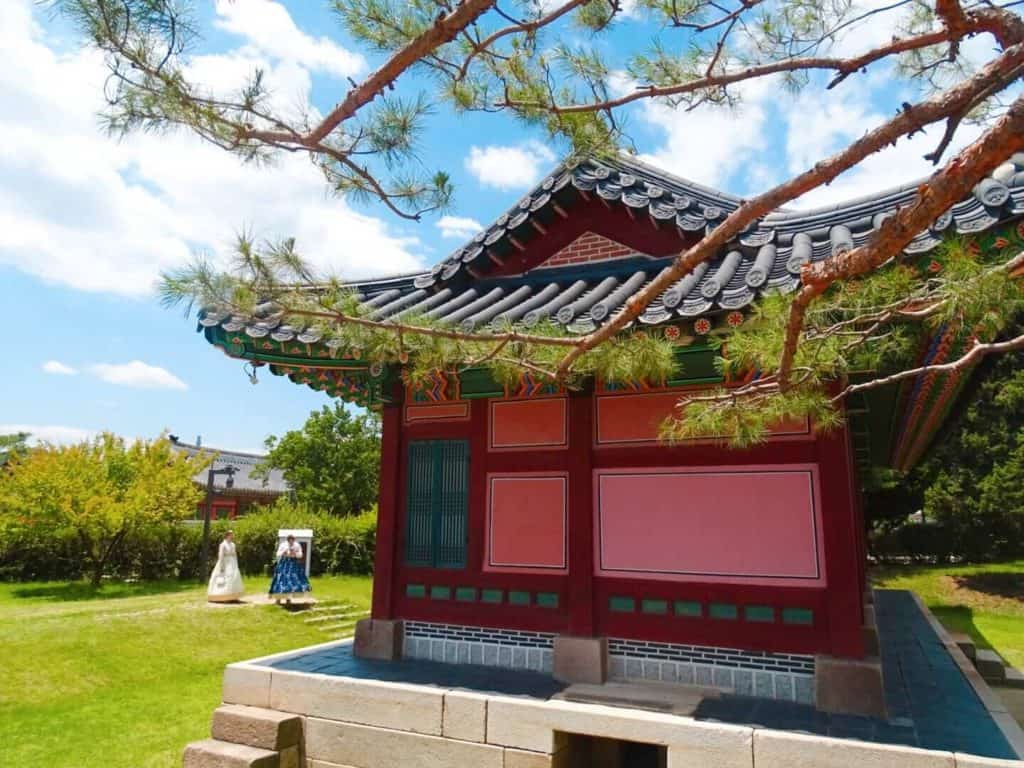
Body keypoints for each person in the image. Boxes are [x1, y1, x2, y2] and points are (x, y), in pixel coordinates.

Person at [269, 534, 311, 604]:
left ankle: (288, 599)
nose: (291, 541)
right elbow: (278, 554)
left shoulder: (297, 545)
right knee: (281, 580)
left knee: (291, 582)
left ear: (294, 540)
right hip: (284, 563)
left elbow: (300, 555)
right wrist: (284, 552)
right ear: (288, 540)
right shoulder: (283, 544)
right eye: (290, 540)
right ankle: (278, 599)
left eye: (292, 540)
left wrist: (295, 554)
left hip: (293, 563)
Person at [207, 531, 244, 603]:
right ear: (227, 535)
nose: (233, 536)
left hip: (232, 563)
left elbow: (235, 554)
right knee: (226, 578)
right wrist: (222, 566)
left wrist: (236, 563)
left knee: (234, 578)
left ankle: (233, 596)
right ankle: (223, 597)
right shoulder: (223, 544)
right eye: (231, 535)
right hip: (225, 562)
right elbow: (221, 555)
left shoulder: (233, 544)